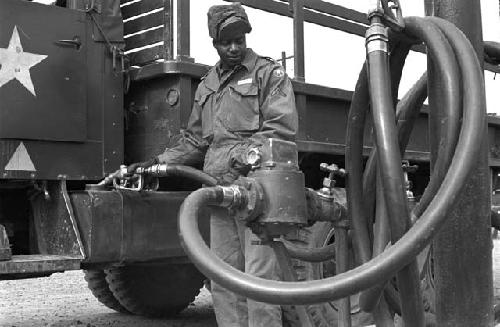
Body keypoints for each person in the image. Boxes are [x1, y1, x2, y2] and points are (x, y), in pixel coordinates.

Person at [128, 3, 298, 326]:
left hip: (256, 196)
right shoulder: (207, 86)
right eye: (225, 41)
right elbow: (195, 140)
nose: (234, 47)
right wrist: (158, 161)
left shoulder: (267, 74)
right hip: (220, 196)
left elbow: (280, 130)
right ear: (214, 43)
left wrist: (239, 159)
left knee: (259, 281)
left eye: (239, 39)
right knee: (223, 279)